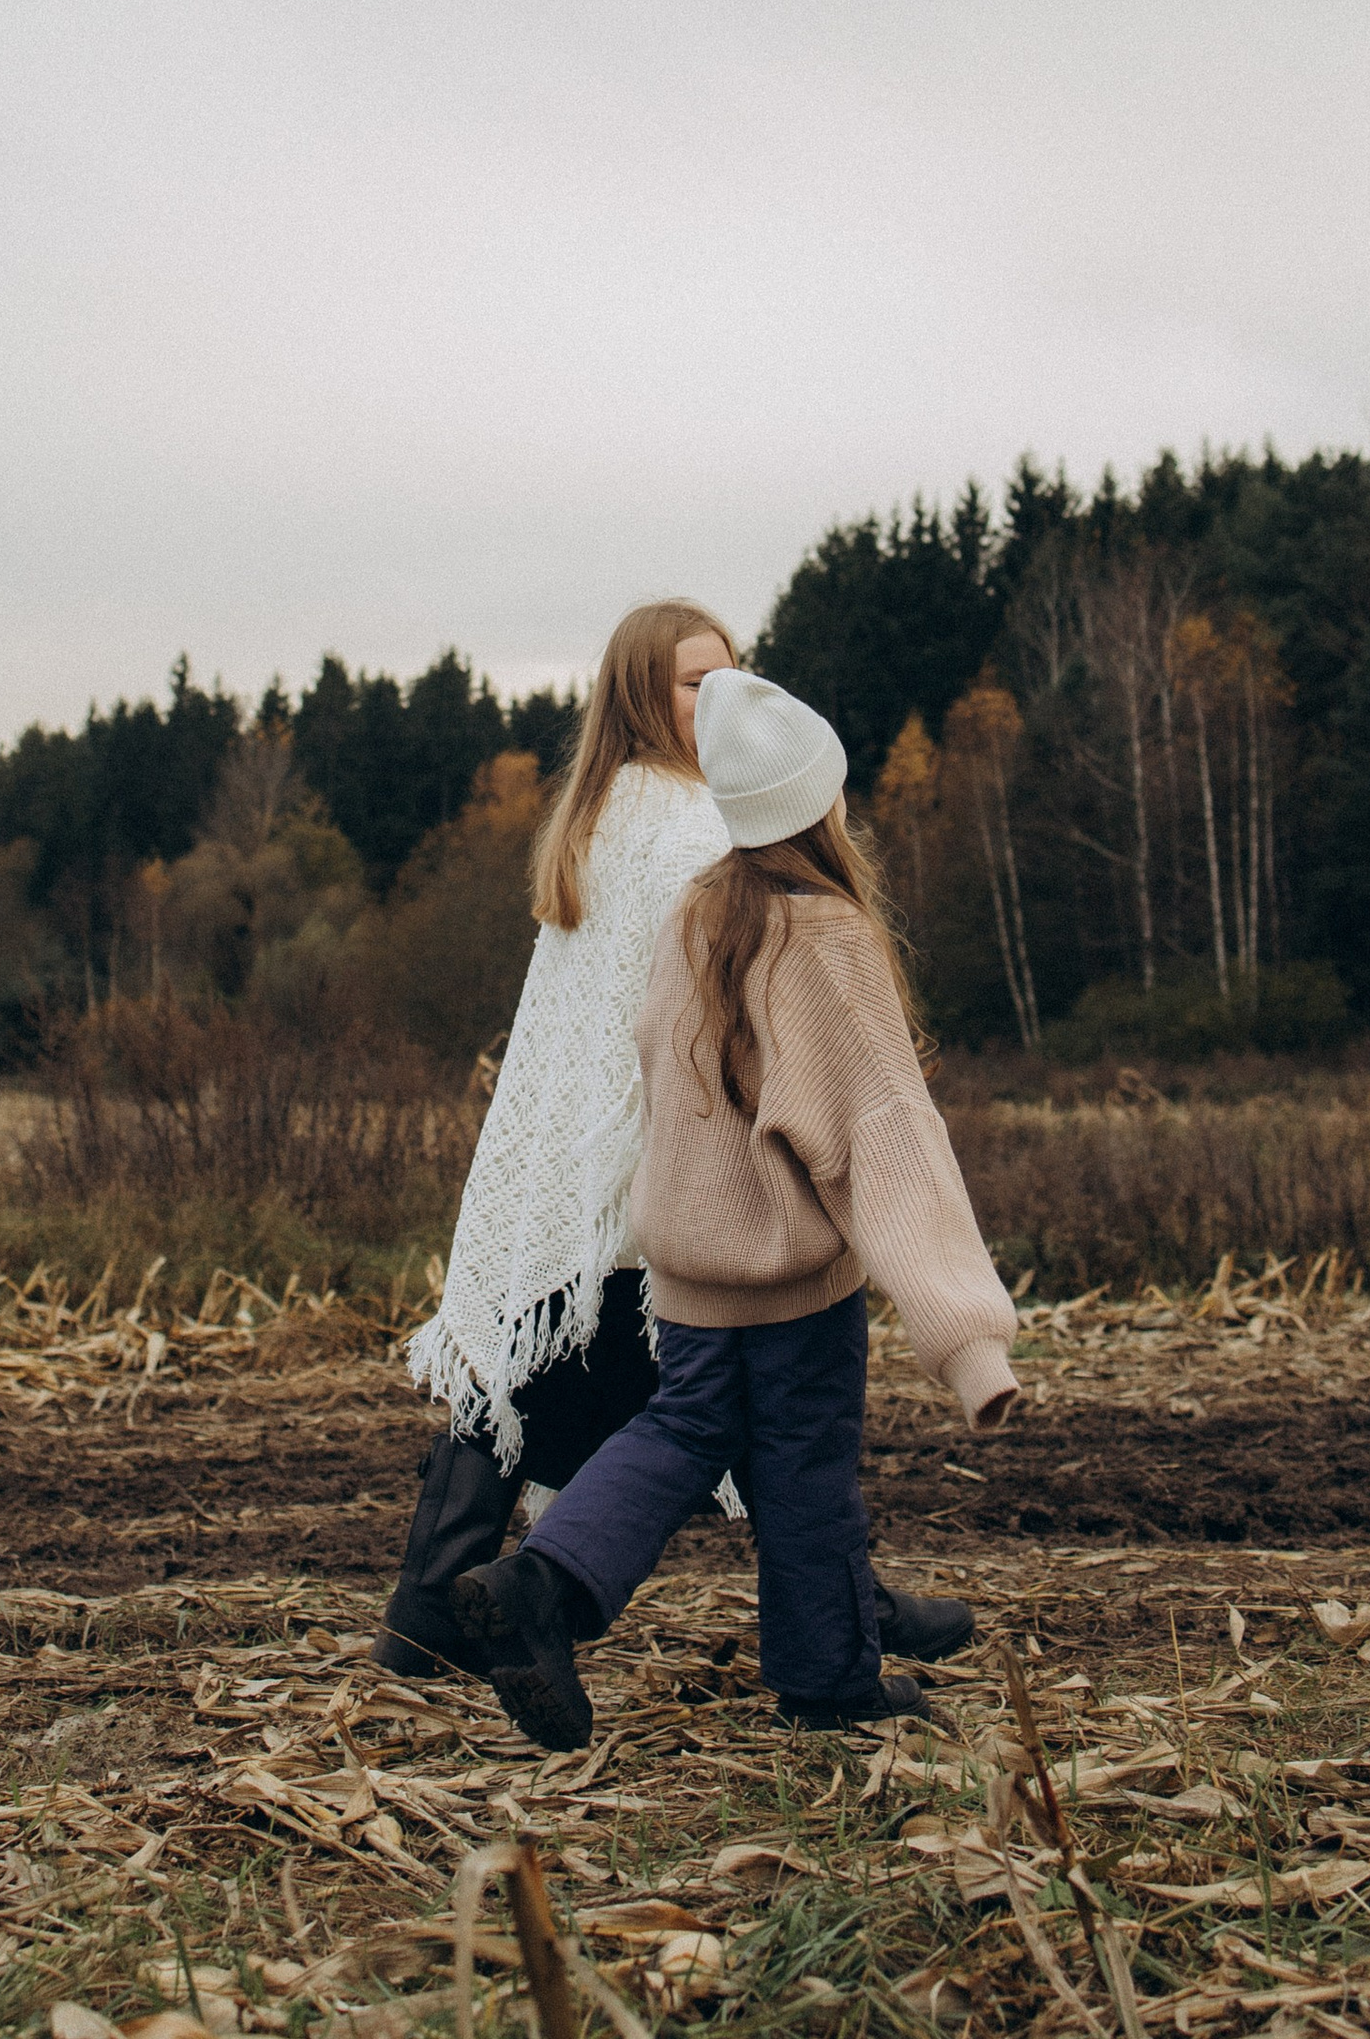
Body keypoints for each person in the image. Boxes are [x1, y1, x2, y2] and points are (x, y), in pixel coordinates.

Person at [453, 669, 1020, 1749]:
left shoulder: (697, 913)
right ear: (817, 802)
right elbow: (886, 1134)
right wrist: (966, 1336)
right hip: (788, 1274)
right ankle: (829, 1681)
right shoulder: (824, 935)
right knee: (805, 1462)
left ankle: (542, 1585)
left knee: (684, 1426)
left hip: (687, 1261)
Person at [375, 599, 738, 1675]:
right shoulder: (688, 824)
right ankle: (839, 1611)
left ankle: (428, 1611)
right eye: (696, 682)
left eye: (733, 675)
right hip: (635, 1162)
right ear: (643, 696)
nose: (722, 698)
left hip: (577, 1166)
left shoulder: (602, 811)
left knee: (531, 1378)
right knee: (729, 1387)